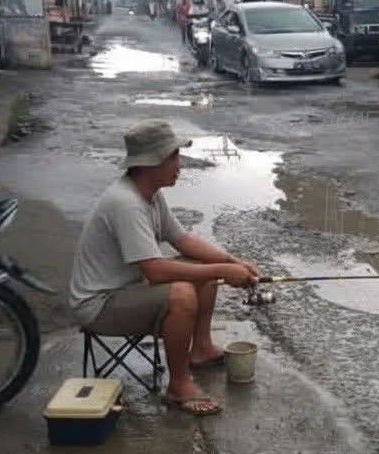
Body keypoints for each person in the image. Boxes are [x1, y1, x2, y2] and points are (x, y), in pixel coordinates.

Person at [69, 120, 259, 416]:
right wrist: (222, 271)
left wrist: (232, 262)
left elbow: (182, 239)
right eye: (173, 157)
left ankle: (201, 349)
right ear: (150, 163)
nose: (179, 164)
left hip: (126, 291)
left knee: (202, 267)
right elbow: (156, 272)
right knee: (182, 294)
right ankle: (178, 385)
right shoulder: (127, 203)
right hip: (99, 305)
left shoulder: (149, 195)